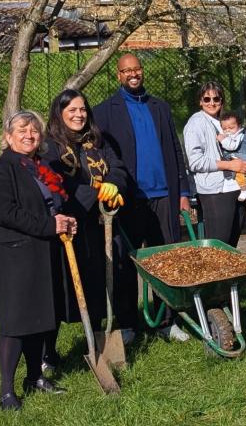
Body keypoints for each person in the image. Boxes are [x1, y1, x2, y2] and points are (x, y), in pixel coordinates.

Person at [93, 53, 191, 343]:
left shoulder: (159, 107)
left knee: (165, 259)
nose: (133, 74)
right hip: (129, 200)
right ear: (118, 75)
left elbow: (175, 149)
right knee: (126, 263)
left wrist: (183, 192)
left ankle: (165, 321)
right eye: (127, 71)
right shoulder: (104, 112)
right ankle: (128, 325)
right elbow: (98, 157)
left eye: (137, 69)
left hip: (164, 196)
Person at [0, 111, 77, 411]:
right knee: (16, 322)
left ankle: (34, 377)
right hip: (15, 256)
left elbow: (47, 206)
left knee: (40, 319)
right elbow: (6, 212)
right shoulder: (1, 170)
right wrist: (49, 226)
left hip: (43, 251)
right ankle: (6, 391)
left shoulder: (37, 167)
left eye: (34, 130)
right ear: (8, 136)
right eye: (22, 130)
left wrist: (63, 220)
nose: (29, 134)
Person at [41, 90, 127, 373]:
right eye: (72, 110)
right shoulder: (51, 146)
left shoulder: (97, 140)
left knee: (99, 282)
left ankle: (100, 340)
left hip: (99, 225)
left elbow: (117, 167)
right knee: (60, 291)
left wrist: (113, 183)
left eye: (82, 110)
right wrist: (95, 191)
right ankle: (48, 353)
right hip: (68, 228)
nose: (79, 115)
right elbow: (56, 183)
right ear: (60, 113)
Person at [183, 82, 246, 247]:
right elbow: (195, 162)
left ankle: (231, 274)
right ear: (200, 101)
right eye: (207, 99)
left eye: (216, 98)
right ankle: (214, 274)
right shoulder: (196, 123)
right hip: (214, 191)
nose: (211, 103)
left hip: (236, 186)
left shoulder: (225, 121)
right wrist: (230, 166)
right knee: (218, 246)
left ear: (222, 100)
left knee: (231, 244)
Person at [218, 111, 246, 202]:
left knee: (239, 174)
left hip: (244, 160)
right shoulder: (244, 135)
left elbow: (231, 146)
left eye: (231, 128)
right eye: (224, 128)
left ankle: (244, 189)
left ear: (240, 126)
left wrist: (222, 139)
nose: (228, 130)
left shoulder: (239, 135)